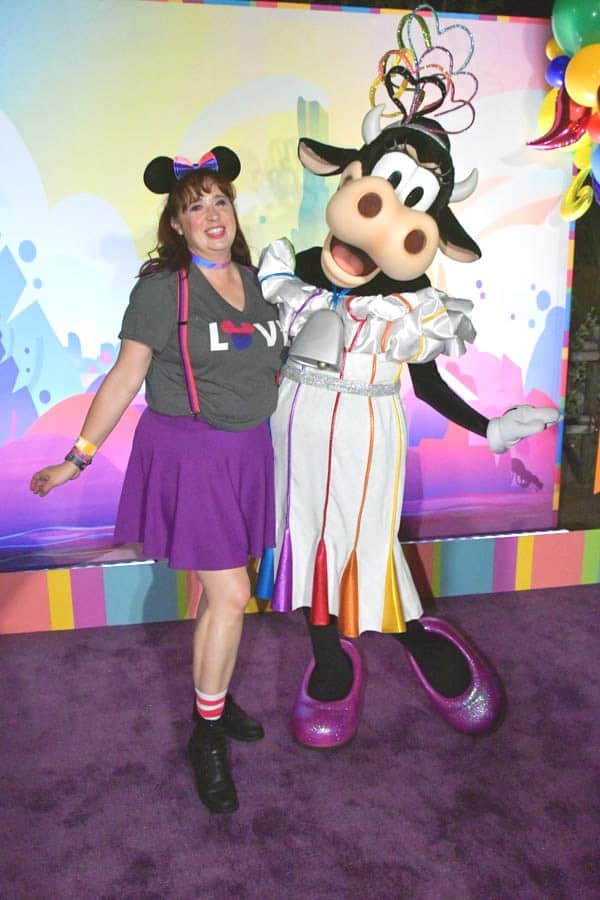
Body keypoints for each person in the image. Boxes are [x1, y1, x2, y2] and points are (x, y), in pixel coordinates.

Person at [30, 146, 284, 814]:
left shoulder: (256, 281)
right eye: (194, 206)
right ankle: (206, 736)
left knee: (222, 592)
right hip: (191, 453)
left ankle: (216, 698)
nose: (211, 215)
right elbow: (124, 378)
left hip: (248, 452)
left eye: (219, 201)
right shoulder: (161, 290)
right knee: (231, 596)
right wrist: (77, 456)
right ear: (175, 224)